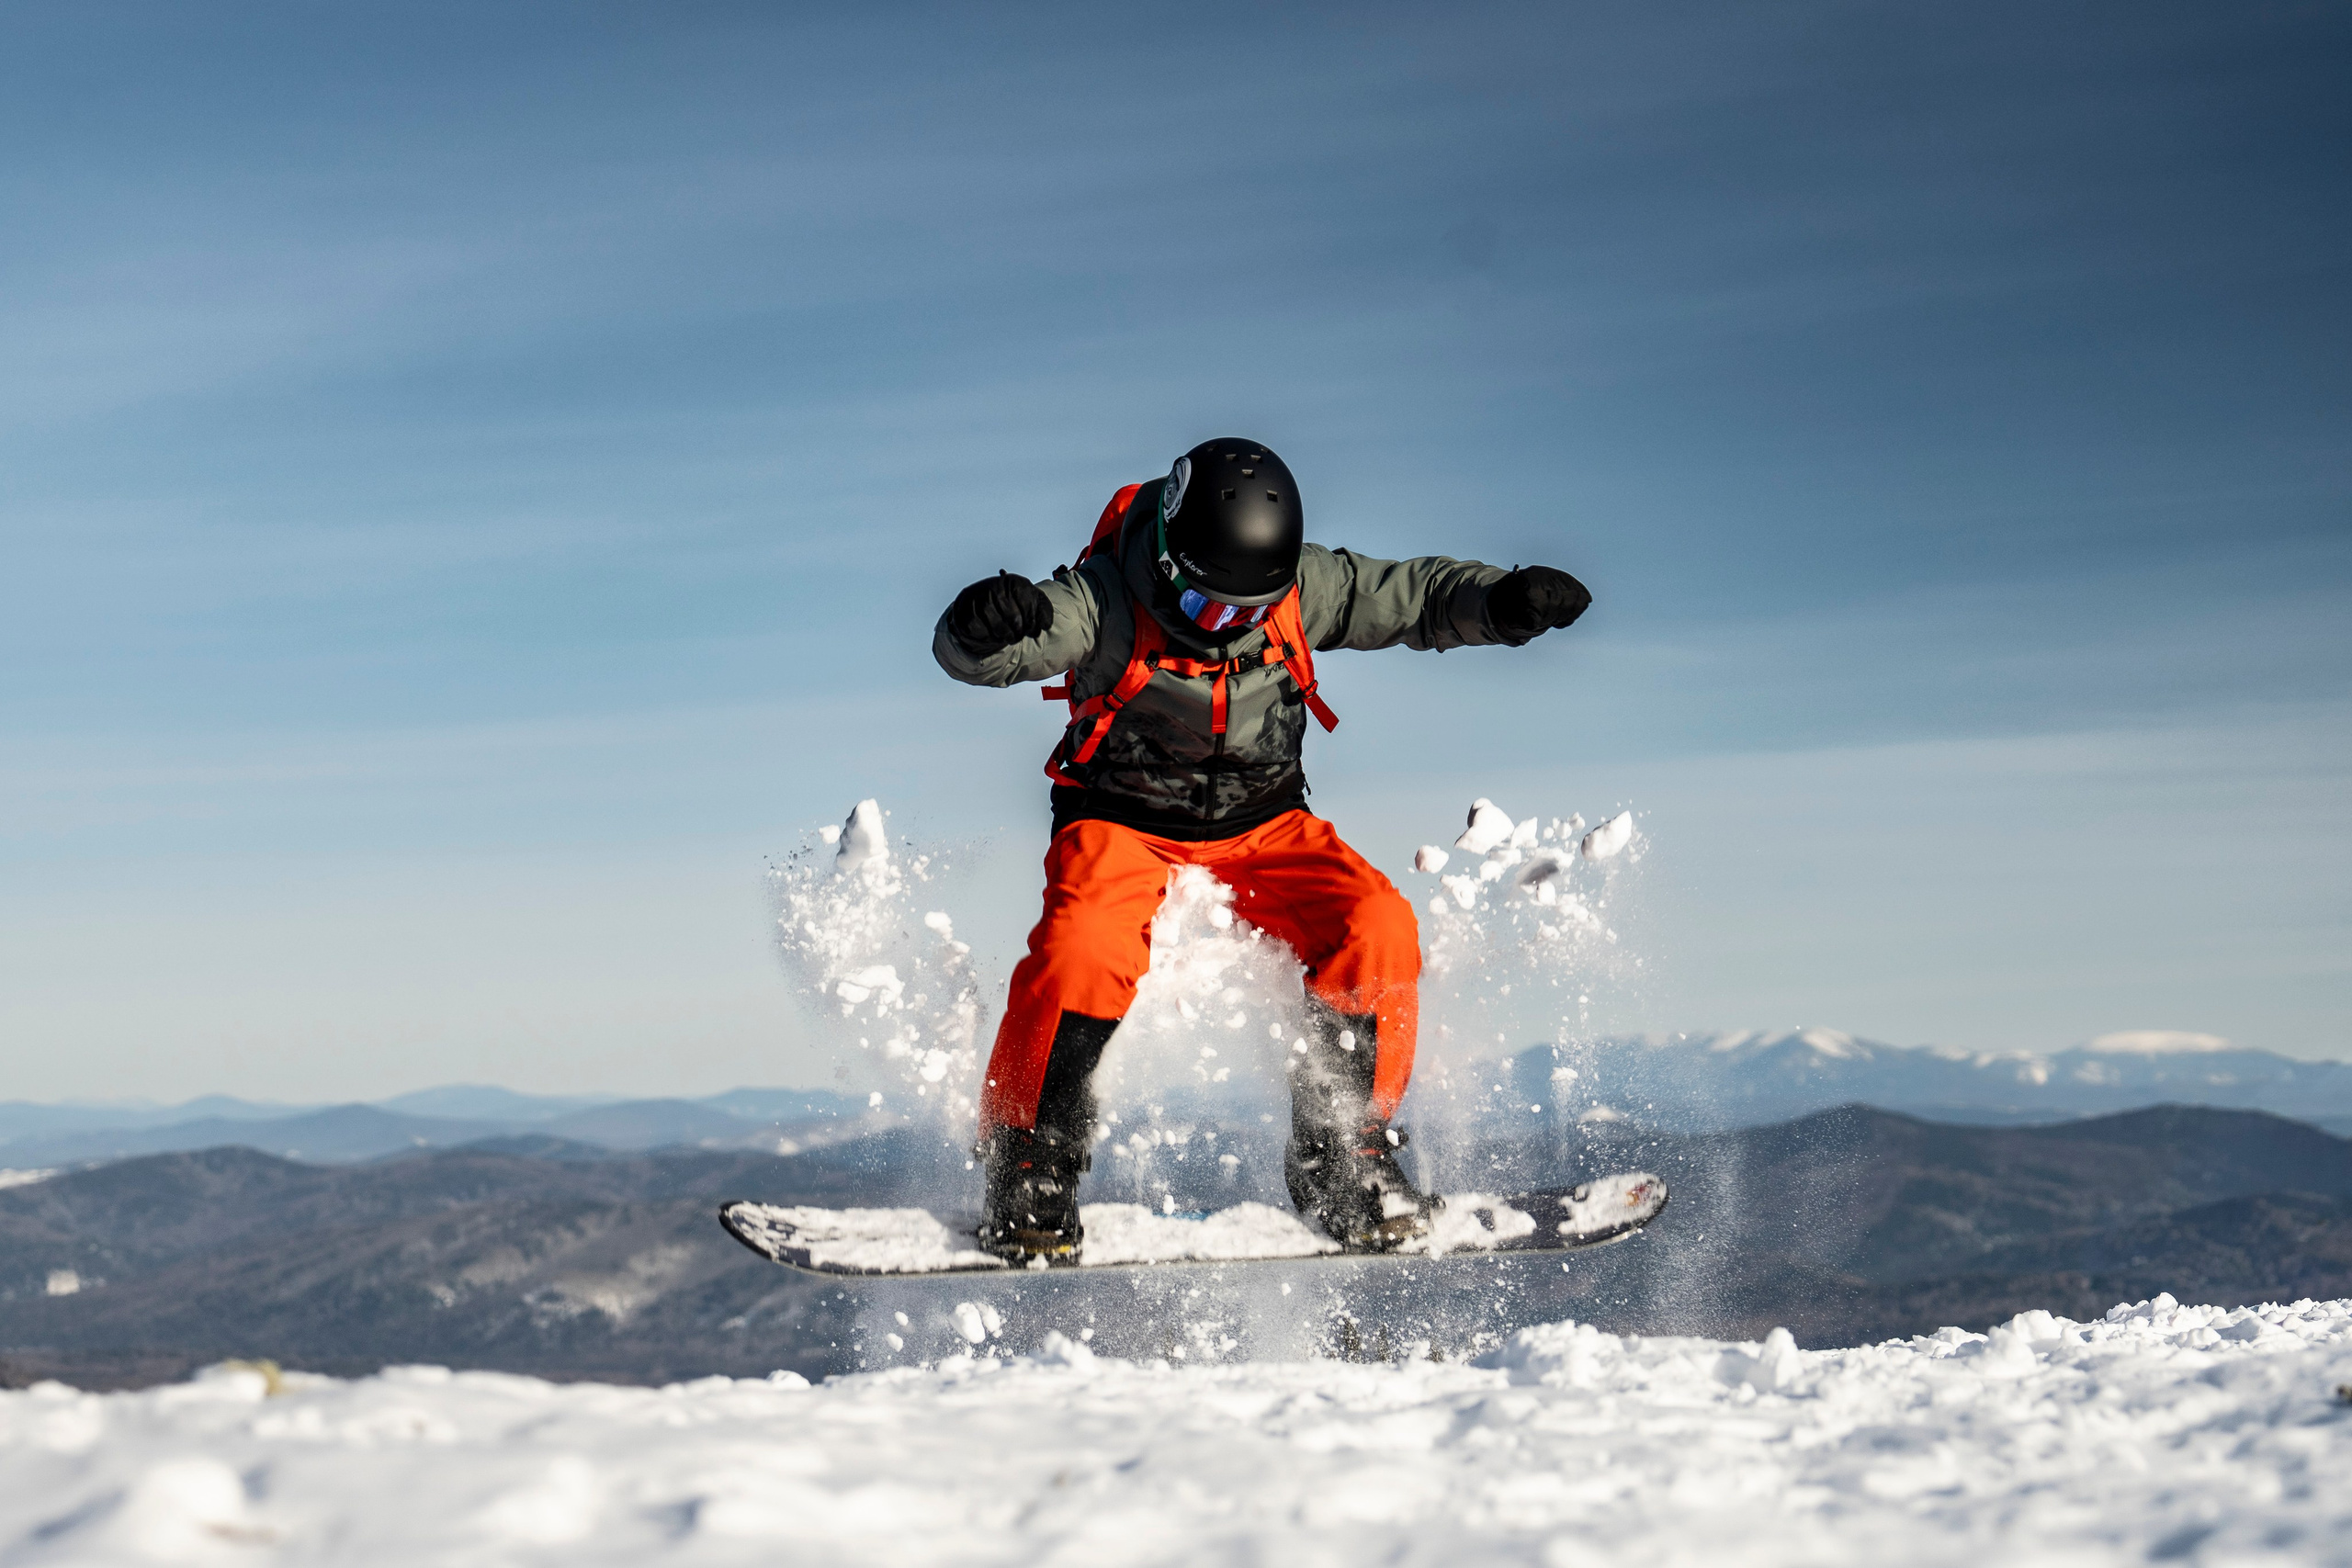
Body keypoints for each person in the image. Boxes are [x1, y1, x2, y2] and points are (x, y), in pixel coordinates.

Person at [933, 438, 1589, 1261]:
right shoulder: (1101, 600)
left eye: (1249, 610)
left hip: (1263, 824)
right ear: (1168, 565)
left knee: (1377, 925)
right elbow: (989, 652)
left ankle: (1341, 1151)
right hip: (1121, 818)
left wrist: (1500, 603)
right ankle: (1031, 1159)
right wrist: (980, 627)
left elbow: (1413, 597)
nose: (1231, 629)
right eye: (1212, 611)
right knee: (1082, 950)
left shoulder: (1297, 591)